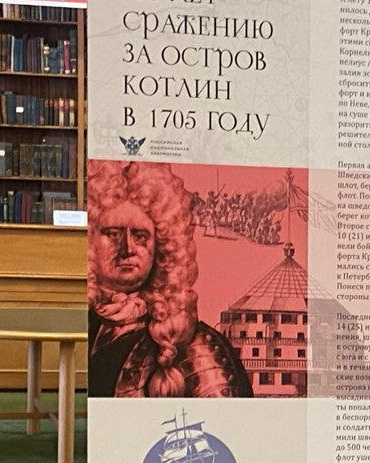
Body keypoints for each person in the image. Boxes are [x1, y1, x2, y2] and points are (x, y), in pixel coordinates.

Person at [87, 161, 252, 397]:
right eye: (113, 234)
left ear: (161, 246)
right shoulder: (86, 320)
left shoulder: (193, 343)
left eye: (140, 236)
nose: (127, 248)